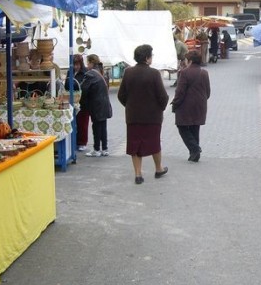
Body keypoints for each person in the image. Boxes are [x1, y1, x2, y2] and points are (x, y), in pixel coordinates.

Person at [117, 44, 169, 184]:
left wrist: (130, 106)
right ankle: (158, 168)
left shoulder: (128, 72)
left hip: (133, 116)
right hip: (152, 117)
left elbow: (121, 95)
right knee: (154, 143)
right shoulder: (154, 73)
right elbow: (163, 96)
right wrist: (160, 108)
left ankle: (138, 174)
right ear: (147, 57)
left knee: (135, 145)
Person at [171, 50, 211, 162]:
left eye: (186, 60)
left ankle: (195, 149)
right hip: (200, 105)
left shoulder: (184, 73)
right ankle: (194, 154)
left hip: (185, 106)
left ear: (190, 61)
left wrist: (175, 103)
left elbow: (180, 92)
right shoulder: (204, 73)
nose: (185, 62)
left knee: (182, 127)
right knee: (195, 127)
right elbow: (208, 91)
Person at [80, 54, 112, 158]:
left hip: (96, 105)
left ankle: (96, 149)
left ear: (91, 63)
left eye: (88, 62)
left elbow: (83, 89)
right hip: (104, 103)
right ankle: (105, 149)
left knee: (96, 127)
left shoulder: (90, 74)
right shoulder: (100, 72)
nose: (87, 65)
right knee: (103, 127)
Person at [65, 54, 89, 151]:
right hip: (71, 101)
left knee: (82, 123)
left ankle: (82, 142)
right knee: (72, 122)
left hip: (83, 102)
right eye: (74, 64)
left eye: (78, 64)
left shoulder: (85, 72)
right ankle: (74, 141)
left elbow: (84, 86)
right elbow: (66, 84)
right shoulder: (69, 71)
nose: (76, 66)